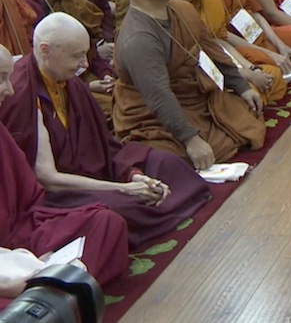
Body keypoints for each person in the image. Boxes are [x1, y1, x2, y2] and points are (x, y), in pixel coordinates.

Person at [1, 13, 210, 248]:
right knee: (118, 210)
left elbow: (104, 146)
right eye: (77, 56)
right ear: (45, 50)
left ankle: (150, 202)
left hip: (92, 175)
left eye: (85, 54)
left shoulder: (69, 82)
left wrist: (134, 175)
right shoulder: (20, 94)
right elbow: (47, 180)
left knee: (166, 163)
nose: (84, 65)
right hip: (60, 192)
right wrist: (124, 188)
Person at [113, 0, 265, 168]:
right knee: (168, 159)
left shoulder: (182, 9)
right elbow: (158, 95)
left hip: (193, 98)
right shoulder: (139, 39)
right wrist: (190, 139)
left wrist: (241, 86)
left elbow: (213, 51)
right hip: (152, 114)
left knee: (247, 111)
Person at [0, 44, 129, 290]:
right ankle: (57, 291)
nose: (9, 89)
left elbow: (29, 199)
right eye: (0, 79)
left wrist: (39, 253)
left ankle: (58, 289)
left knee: (105, 221)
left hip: (22, 233)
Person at [171, 0, 286, 106]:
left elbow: (218, 41)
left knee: (271, 74)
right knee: (237, 96)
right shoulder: (172, 11)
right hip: (196, 77)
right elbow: (192, 62)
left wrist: (251, 69)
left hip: (222, 65)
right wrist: (244, 76)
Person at [18, 0, 116, 115]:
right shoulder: (25, 7)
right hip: (55, 87)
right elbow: (38, 63)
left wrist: (105, 73)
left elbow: (88, 45)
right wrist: (86, 86)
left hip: (83, 73)